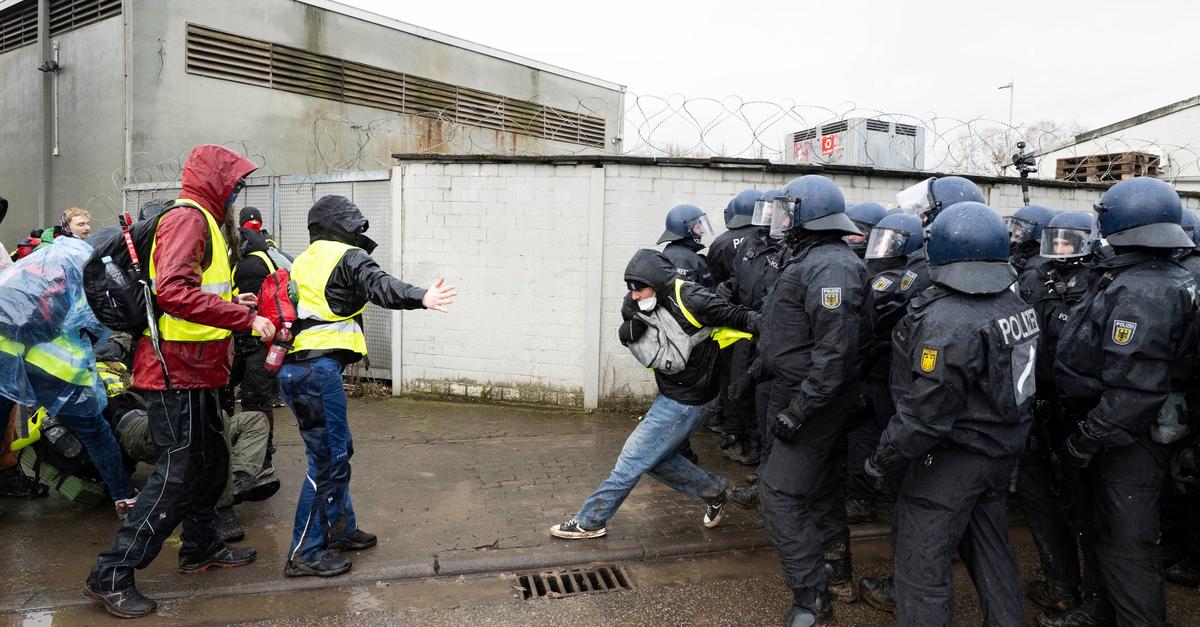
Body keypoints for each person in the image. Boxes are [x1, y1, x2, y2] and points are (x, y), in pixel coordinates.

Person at [87, 145, 274, 619]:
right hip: (177, 372)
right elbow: (173, 292)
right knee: (178, 474)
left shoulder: (201, 219)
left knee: (211, 463)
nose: (238, 191)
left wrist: (234, 303)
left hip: (198, 370)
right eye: (234, 183)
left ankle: (201, 546)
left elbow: (191, 292)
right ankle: (112, 573)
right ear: (216, 182)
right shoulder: (189, 219)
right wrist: (244, 319)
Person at [864, 201, 1036, 626]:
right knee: (991, 552)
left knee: (920, 567)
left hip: (951, 458)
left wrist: (883, 458)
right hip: (1000, 450)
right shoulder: (1014, 304)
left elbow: (926, 412)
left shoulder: (949, 318)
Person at [1049, 177, 1199, 627]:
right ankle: (1101, 609)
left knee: (1127, 542)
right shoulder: (1150, 275)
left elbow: (1136, 390)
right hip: (1117, 427)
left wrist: (1087, 439)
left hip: (1125, 435)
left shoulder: (1143, 290)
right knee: (1104, 530)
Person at [280, 194, 455, 578]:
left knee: (336, 452)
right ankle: (306, 552)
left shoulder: (305, 259)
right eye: (356, 224)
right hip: (317, 371)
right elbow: (380, 285)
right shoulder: (346, 256)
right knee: (327, 461)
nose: (361, 230)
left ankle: (340, 529)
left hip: (296, 370)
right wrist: (422, 297)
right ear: (343, 224)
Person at [549, 248, 758, 541]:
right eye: (631, 289)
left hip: (689, 401)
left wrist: (787, 332)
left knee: (632, 459)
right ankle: (715, 492)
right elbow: (631, 315)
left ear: (658, 284)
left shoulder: (694, 298)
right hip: (673, 394)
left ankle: (591, 521)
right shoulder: (638, 300)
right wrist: (630, 327)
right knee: (655, 460)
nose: (634, 295)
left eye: (640, 289)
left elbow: (740, 316)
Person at [757, 175, 870, 624]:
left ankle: (812, 600)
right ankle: (836, 571)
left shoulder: (831, 267)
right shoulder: (811, 258)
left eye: (789, 212)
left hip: (816, 400)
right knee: (821, 487)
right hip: (806, 392)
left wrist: (800, 410)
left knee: (779, 494)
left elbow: (834, 354)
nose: (781, 221)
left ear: (810, 215)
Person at [0, 235, 135, 514]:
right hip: (54, 364)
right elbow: (94, 326)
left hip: (5, 353)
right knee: (96, 433)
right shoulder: (91, 275)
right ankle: (124, 497)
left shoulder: (37, 266)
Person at [1012, 211, 1103, 621]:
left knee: (1085, 505)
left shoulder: (1098, 281)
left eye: (1070, 241)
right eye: (1057, 240)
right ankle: (1062, 584)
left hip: (1078, 408)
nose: (1061, 248)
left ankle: (1093, 596)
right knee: (1039, 494)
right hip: (1038, 400)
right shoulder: (1036, 276)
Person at [844, 212, 924, 525]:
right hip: (877, 372)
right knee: (868, 435)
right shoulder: (880, 272)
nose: (883, 247)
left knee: (876, 435)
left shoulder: (897, 279)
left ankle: (869, 496)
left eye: (893, 241)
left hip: (884, 372)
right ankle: (869, 491)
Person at [112, 407, 280, 542]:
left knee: (254, 420)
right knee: (213, 420)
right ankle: (223, 505)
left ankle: (237, 480)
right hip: (136, 424)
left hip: (179, 416)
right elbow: (101, 444)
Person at [222, 207, 284, 474]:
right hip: (263, 340)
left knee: (251, 400)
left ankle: (256, 460)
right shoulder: (269, 253)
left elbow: (246, 305)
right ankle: (258, 458)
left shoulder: (247, 263)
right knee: (253, 398)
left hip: (250, 339)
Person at [705, 189, 763, 464]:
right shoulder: (771, 242)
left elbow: (715, 285)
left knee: (730, 380)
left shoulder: (721, 243)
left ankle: (733, 435)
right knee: (756, 384)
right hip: (761, 326)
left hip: (729, 327)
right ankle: (752, 442)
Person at [893, 176, 986, 304]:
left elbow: (901, 301)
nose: (923, 220)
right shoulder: (984, 251)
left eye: (926, 215)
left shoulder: (928, 260)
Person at [658, 203, 716, 289]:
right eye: (698, 227)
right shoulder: (684, 259)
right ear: (685, 229)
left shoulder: (672, 252)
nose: (702, 230)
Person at [1006, 203, 1056, 273]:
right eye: (1016, 227)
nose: (1016, 233)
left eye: (1022, 229)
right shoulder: (1019, 250)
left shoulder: (1038, 265)